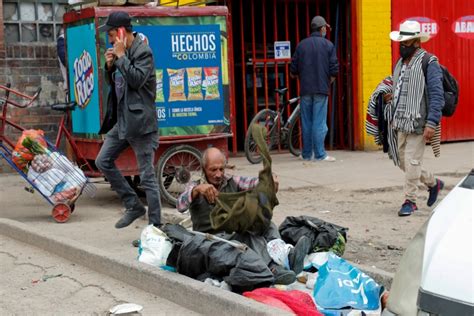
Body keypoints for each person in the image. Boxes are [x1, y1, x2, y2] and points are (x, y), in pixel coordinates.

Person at [177, 147, 311, 283]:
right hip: (211, 241)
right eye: (213, 170)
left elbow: (253, 183)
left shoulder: (231, 181)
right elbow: (180, 205)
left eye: (221, 169)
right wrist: (197, 190)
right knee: (248, 235)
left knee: (266, 223)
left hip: (231, 232)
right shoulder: (195, 185)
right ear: (204, 168)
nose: (218, 174)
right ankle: (273, 268)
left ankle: (288, 257)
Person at [95, 11, 161, 229]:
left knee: (147, 178)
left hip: (141, 124)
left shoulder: (144, 52)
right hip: (123, 120)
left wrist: (121, 58)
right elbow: (116, 84)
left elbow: (136, 80)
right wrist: (110, 67)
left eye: (112, 34)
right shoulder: (120, 52)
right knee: (102, 160)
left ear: (122, 31)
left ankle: (155, 229)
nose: (110, 39)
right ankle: (133, 205)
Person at [387, 20, 444, 216]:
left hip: (419, 122)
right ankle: (433, 183)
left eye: (406, 42)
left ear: (417, 42)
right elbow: (398, 87)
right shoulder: (400, 63)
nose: (402, 46)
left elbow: (437, 94)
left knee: (411, 162)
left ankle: (410, 201)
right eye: (401, 42)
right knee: (402, 161)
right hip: (401, 121)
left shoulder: (429, 62)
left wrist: (432, 122)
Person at [290, 16, 339, 162]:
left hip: (305, 89)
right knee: (319, 122)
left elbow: (293, 69)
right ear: (322, 28)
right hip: (321, 89)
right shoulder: (328, 45)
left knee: (306, 122)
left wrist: (300, 76)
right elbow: (334, 69)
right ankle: (320, 154)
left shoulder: (301, 45)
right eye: (325, 28)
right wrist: (327, 81)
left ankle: (306, 154)